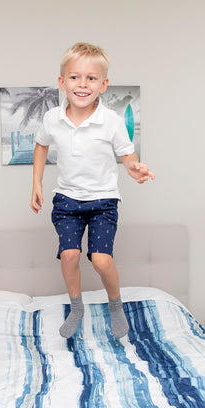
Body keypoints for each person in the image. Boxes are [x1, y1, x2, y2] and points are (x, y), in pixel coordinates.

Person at [30, 42, 154, 339]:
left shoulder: (110, 121)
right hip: (67, 200)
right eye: (74, 77)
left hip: (103, 201)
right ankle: (76, 307)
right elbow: (41, 144)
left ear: (103, 84)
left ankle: (115, 305)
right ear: (62, 82)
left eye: (91, 78)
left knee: (100, 260)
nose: (82, 84)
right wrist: (36, 182)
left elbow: (127, 156)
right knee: (70, 255)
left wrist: (134, 168)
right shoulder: (52, 118)